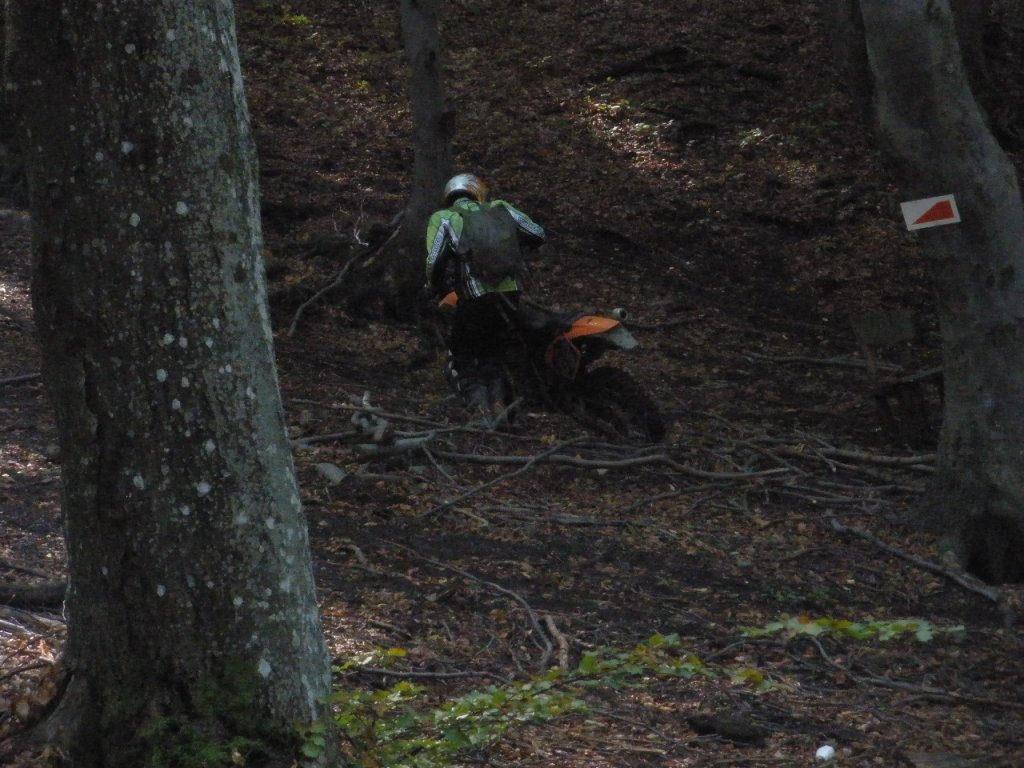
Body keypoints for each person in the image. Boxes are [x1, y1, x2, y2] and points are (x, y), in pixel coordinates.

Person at [425, 173, 546, 423]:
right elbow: (537, 233)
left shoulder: (444, 217)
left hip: (474, 296)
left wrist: (434, 286)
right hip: (510, 294)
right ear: (477, 191)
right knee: (493, 352)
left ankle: (479, 411)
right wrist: (516, 252)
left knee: (463, 356)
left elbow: (434, 260)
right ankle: (499, 405)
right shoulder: (501, 208)